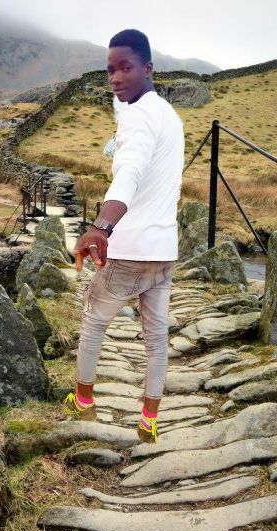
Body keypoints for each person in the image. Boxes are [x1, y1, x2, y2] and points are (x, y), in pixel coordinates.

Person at [64, 29, 184, 443]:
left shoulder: (138, 118)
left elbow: (129, 172)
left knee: (93, 320)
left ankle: (83, 401)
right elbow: (126, 118)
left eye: (125, 68)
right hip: (164, 250)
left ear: (147, 68)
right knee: (156, 335)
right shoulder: (166, 114)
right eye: (110, 70)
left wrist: (100, 227)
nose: (115, 78)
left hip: (130, 249)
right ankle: (149, 418)